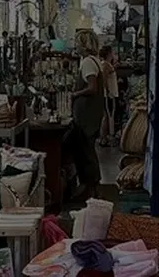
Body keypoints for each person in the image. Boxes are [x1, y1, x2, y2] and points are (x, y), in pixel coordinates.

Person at [69, 29, 105, 199]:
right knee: (87, 149)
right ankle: (91, 186)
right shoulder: (94, 61)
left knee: (86, 151)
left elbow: (92, 88)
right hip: (90, 113)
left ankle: (90, 186)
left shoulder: (88, 63)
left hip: (87, 115)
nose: (75, 46)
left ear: (84, 45)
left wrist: (75, 94)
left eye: (77, 43)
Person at [99, 45, 119, 146]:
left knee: (108, 115)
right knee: (107, 115)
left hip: (110, 93)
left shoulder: (108, 64)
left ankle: (105, 137)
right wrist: (108, 91)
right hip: (109, 94)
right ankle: (104, 138)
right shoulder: (105, 65)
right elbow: (104, 79)